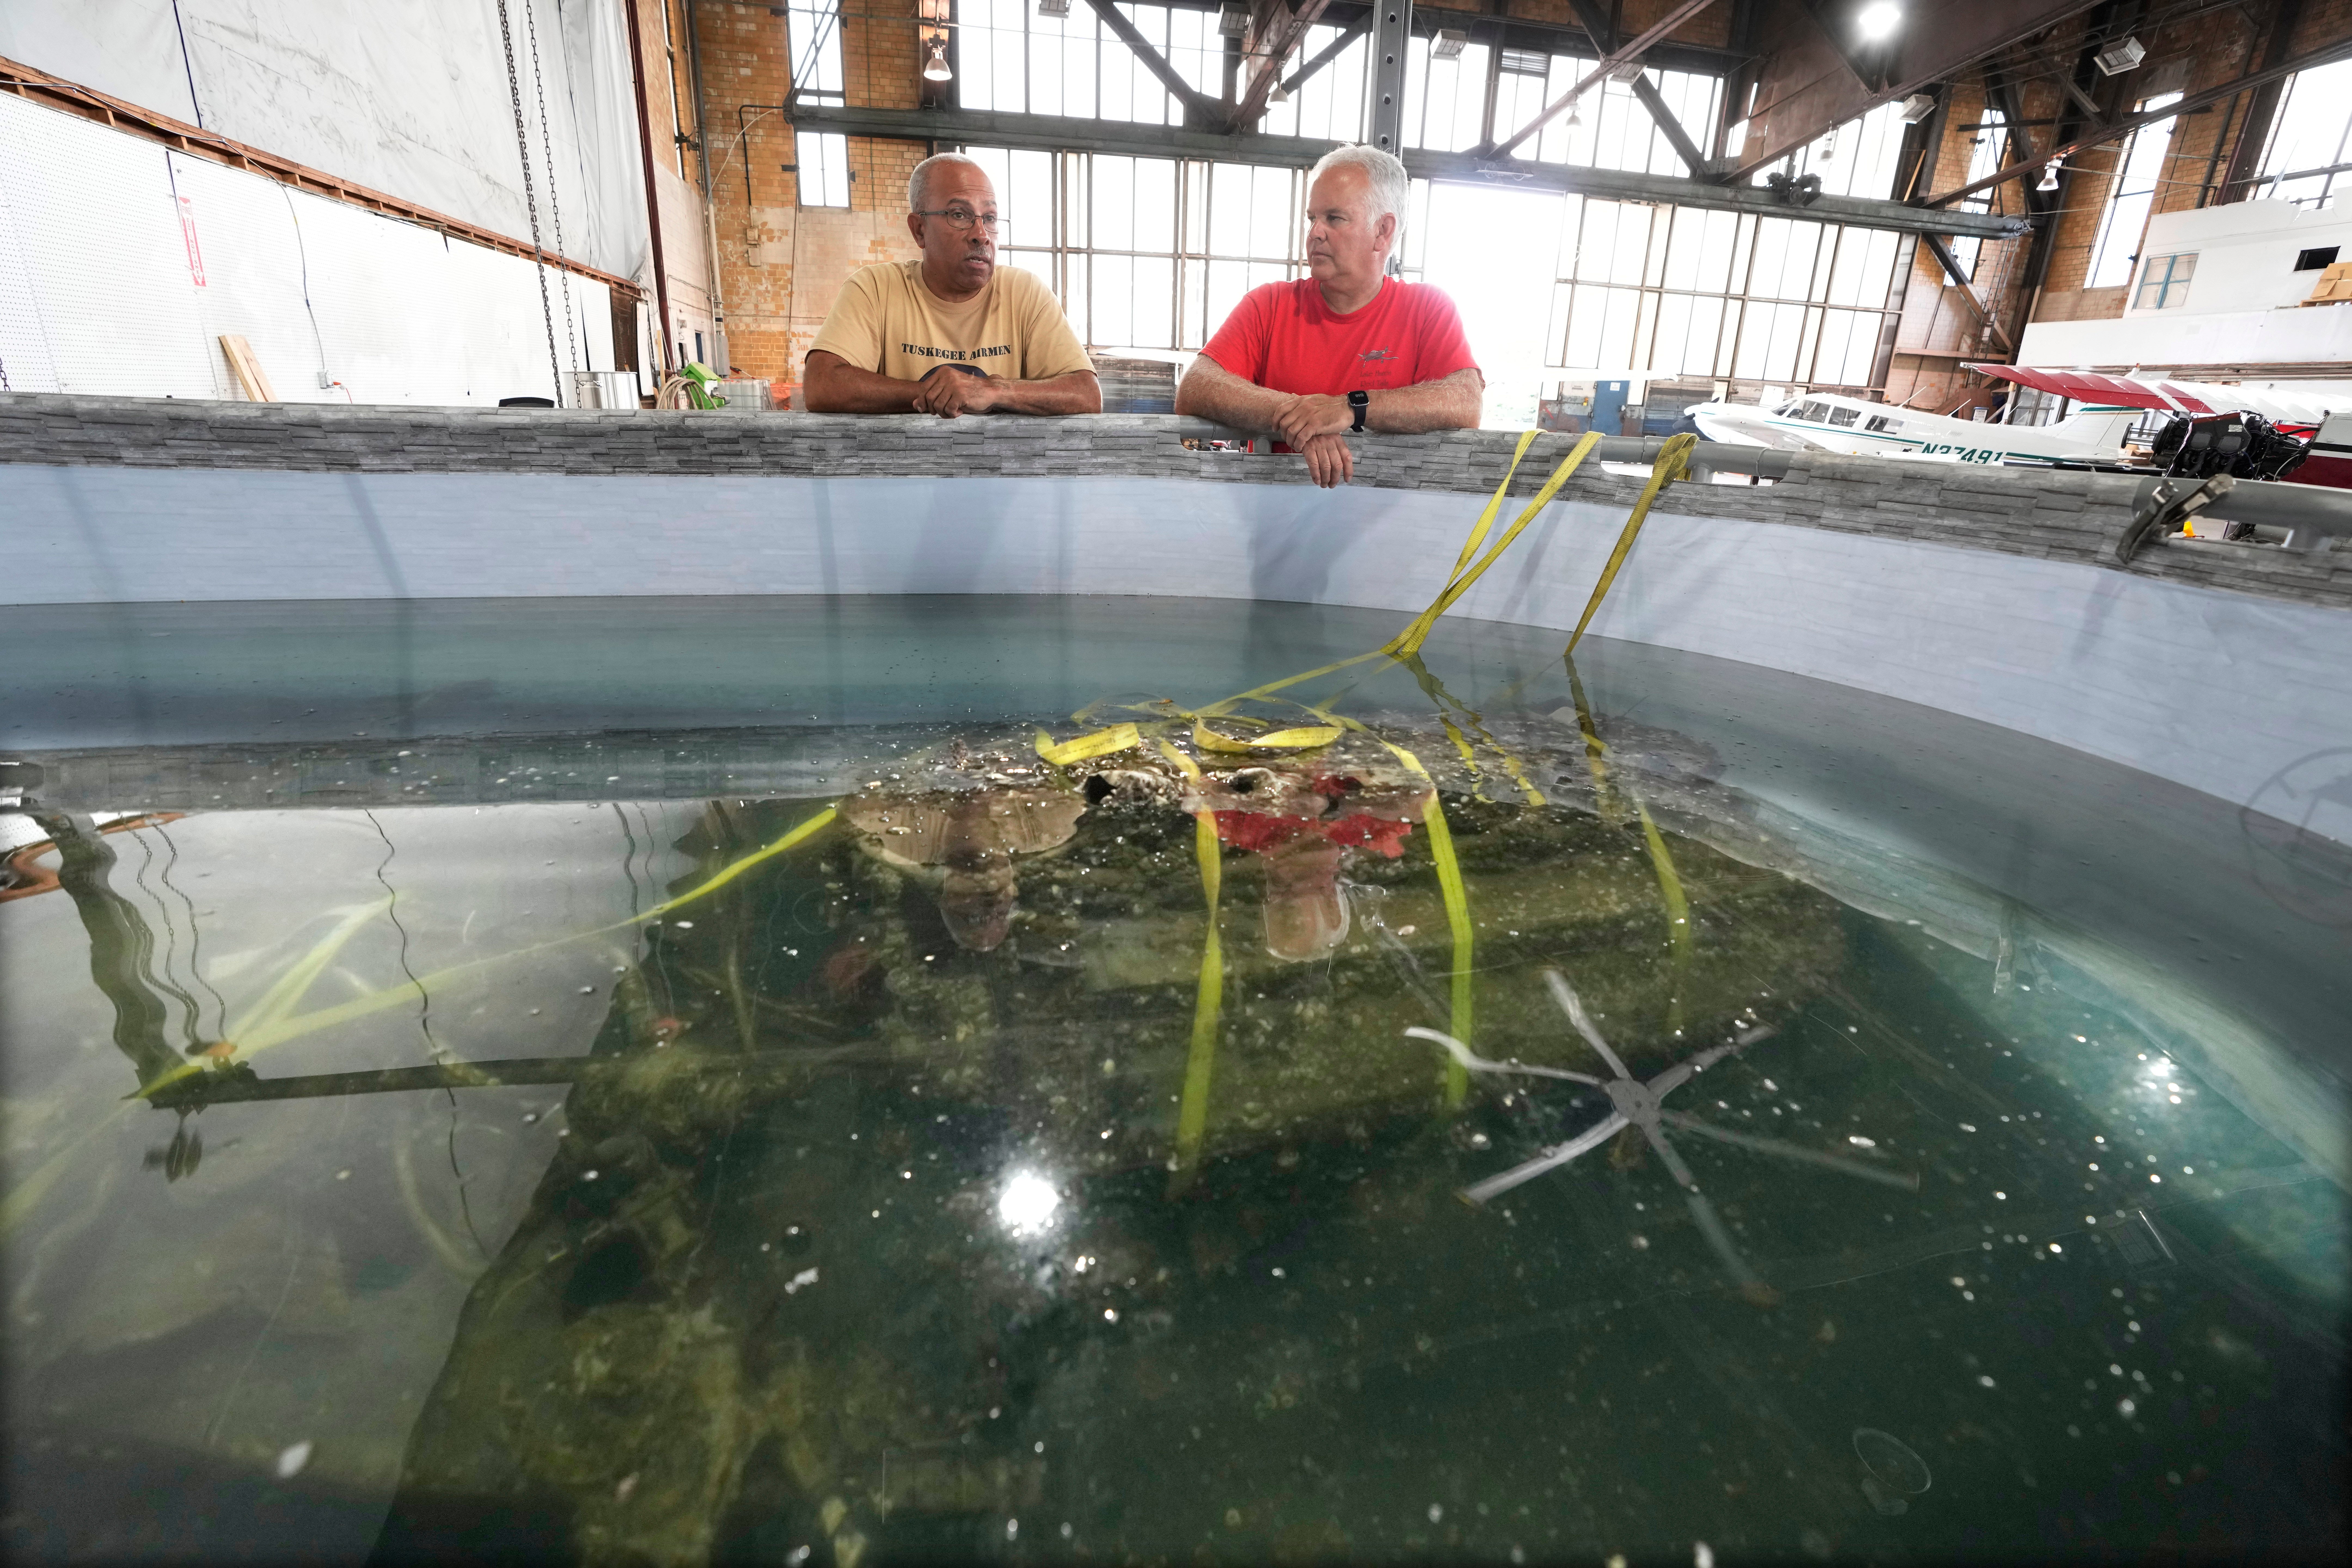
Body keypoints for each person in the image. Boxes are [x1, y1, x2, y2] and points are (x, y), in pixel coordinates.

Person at [1175, 144, 1481, 487]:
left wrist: (1351, 408)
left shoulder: (1428, 309)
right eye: (1312, 218)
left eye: (1334, 218)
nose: (1314, 233)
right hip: (1275, 524)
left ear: (1383, 232)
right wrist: (1302, 417)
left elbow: (1465, 400)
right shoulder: (1270, 305)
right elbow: (1196, 386)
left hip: (1386, 531)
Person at [802, 154, 1101, 416]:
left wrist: (994, 390)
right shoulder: (876, 289)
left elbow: (1086, 393)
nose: (982, 235)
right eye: (960, 215)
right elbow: (822, 384)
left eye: (991, 218)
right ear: (919, 230)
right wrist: (938, 394)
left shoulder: (1025, 293)